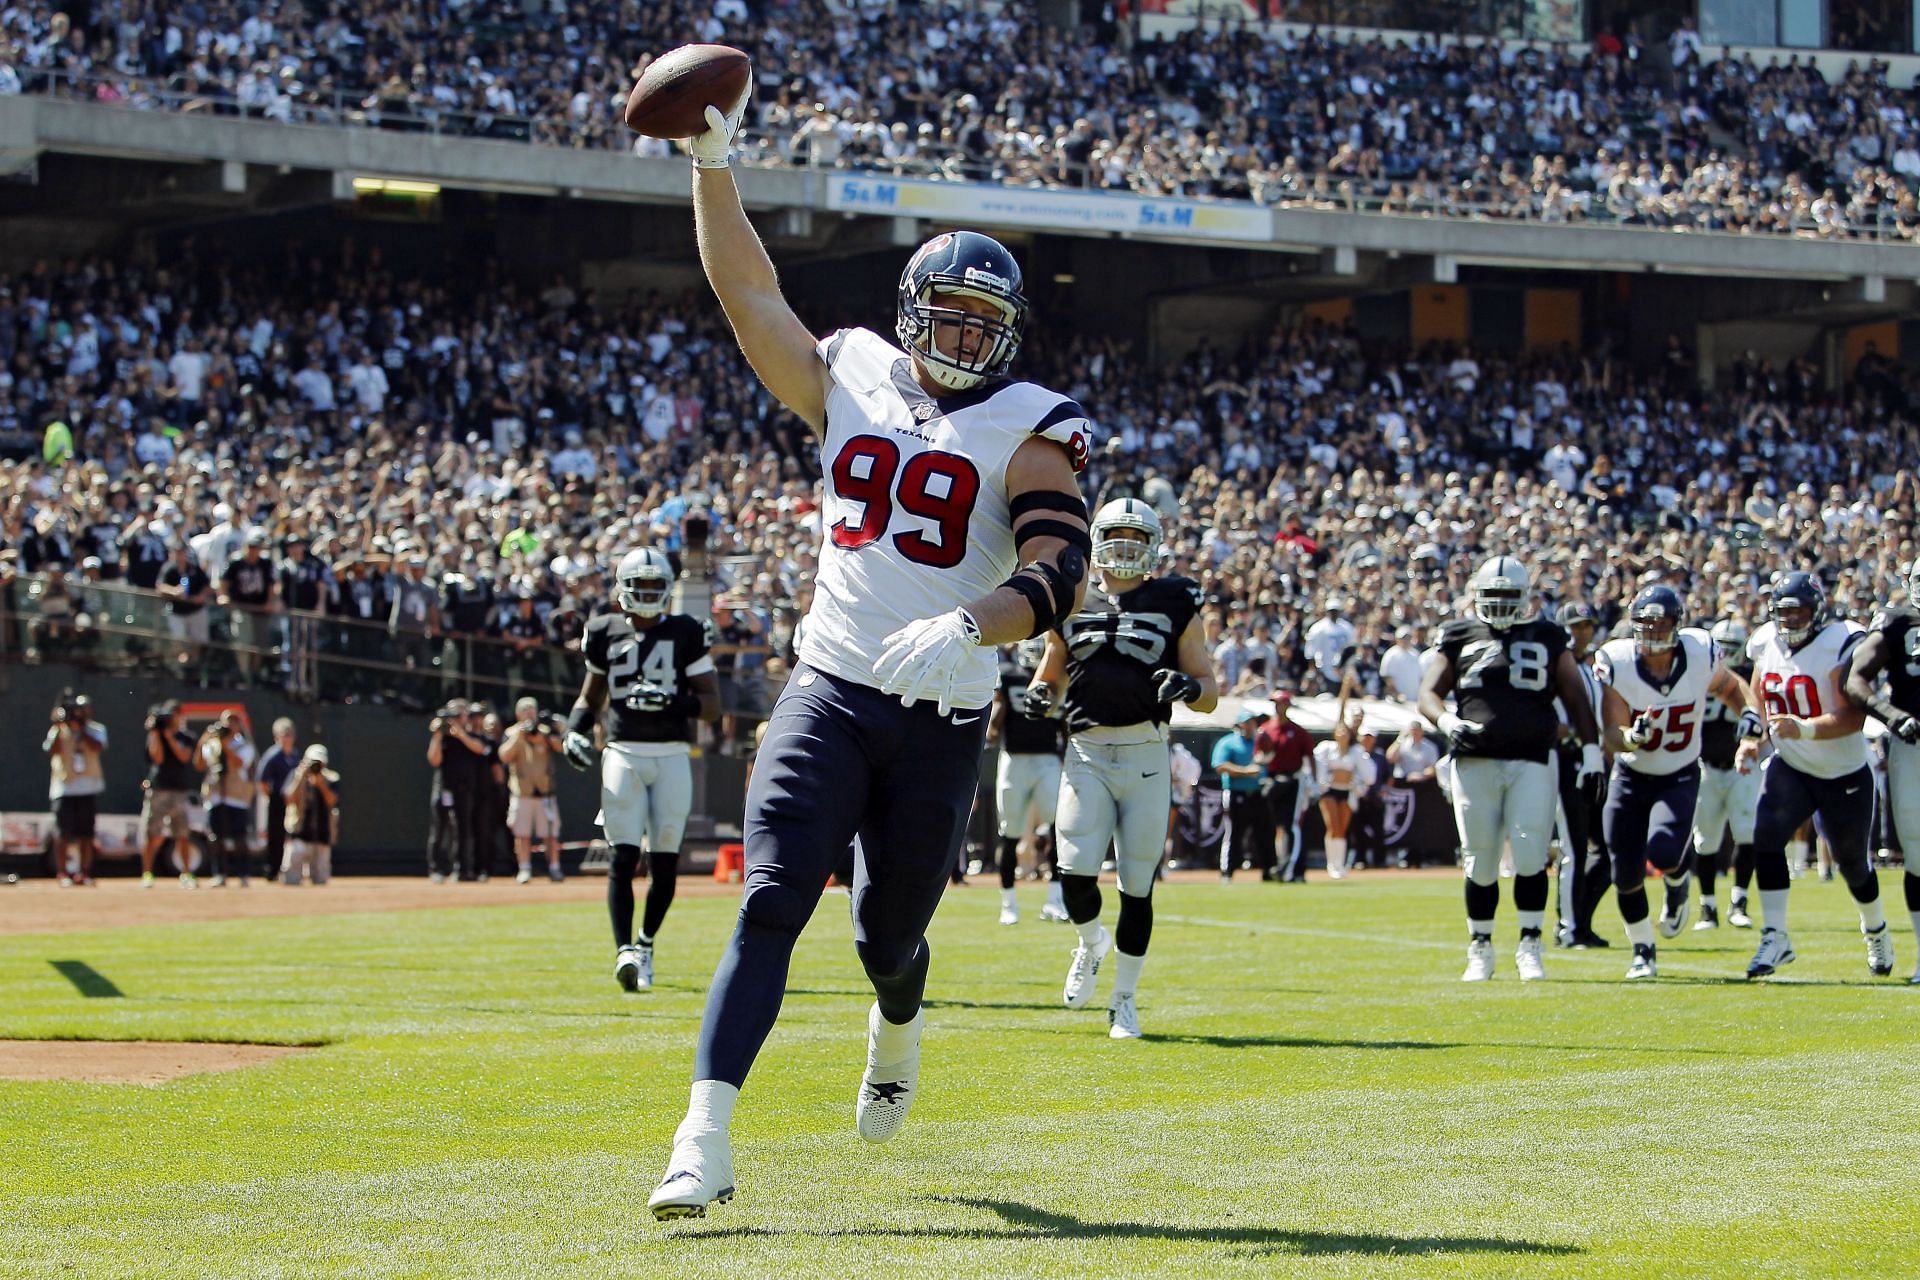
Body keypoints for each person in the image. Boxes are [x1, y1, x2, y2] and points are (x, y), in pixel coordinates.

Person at [648, 82, 1092, 1220]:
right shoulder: (847, 370)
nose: (961, 340)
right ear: (911, 312)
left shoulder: (1034, 423)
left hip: (941, 708)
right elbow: (748, 291)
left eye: (980, 325)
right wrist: (711, 163)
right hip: (830, 684)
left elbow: (1055, 572)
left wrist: (967, 622)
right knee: (770, 901)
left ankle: (898, 1019)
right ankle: (704, 1133)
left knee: (886, 934)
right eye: (945, 317)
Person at [1027, 498, 1216, 1039]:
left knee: (1137, 884)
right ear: (1098, 538)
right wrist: (1043, 694)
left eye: (1138, 538)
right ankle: (1090, 943)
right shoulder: (1073, 595)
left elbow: (1208, 689)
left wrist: (1190, 687)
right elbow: (1051, 671)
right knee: (1074, 871)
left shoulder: (1177, 599)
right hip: (1086, 750)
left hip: (1146, 753)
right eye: (1119, 535)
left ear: (1154, 547)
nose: (1127, 548)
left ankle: (1124, 1000)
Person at [1419, 556, 1602, 983]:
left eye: (1508, 596)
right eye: (1493, 595)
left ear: (1525, 599)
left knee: (1530, 854)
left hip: (1533, 760)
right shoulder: (1458, 633)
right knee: (1480, 858)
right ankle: (1479, 946)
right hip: (1474, 759)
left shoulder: (1549, 636)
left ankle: (1529, 943)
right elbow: (1429, 692)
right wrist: (1445, 721)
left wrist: (1592, 751)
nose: (1500, 605)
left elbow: (1576, 696)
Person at [563, 547, 721, 991]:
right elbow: (590, 695)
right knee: (623, 854)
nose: (648, 594)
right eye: (641, 585)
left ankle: (646, 942)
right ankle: (624, 951)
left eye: (656, 586)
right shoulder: (603, 630)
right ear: (623, 588)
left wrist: (674, 700)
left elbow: (711, 707)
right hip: (622, 751)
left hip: (671, 753)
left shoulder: (686, 631)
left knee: (665, 862)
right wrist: (575, 730)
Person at [1593, 586, 1760, 979]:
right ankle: (1642, 950)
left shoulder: (1700, 651)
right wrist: (1632, 736)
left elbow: (1732, 686)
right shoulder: (1617, 660)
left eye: (1660, 624)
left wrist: (1750, 721)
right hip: (1632, 773)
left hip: (1679, 772)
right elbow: (1612, 732)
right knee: (1625, 871)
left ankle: (1678, 881)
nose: (1652, 633)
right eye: (1645, 625)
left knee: (1666, 851)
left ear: (1677, 625)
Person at [1745, 572, 1886, 980]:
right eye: (1783, 613)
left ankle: (1874, 929)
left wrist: (1802, 728)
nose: (1789, 621)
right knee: (1766, 837)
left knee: (1853, 865)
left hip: (1842, 770)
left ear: (1817, 611)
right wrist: (1755, 738)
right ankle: (1775, 935)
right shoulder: (1766, 641)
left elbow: (1853, 717)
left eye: (1799, 612)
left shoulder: (1839, 641)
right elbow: (1759, 693)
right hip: (1793, 763)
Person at [1845, 563, 1920, 982]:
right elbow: (1856, 680)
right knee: (1918, 854)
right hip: (1914, 746)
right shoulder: (1896, 622)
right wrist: (1893, 715)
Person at [987, 637, 1067, 924]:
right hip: (1015, 759)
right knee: (1010, 833)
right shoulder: (1009, 676)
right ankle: (1008, 904)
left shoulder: (1057, 678)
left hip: (1047, 760)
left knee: (1059, 830)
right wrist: (992, 731)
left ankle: (1055, 899)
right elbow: (997, 712)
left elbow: (1065, 725)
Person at [1695, 617, 1762, 930]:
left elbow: (1762, 721)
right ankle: (1707, 906)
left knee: (1746, 833)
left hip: (1742, 766)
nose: (1726, 654)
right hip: (1706, 765)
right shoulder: (1700, 676)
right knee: (1705, 840)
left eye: (1731, 648)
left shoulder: (1749, 679)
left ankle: (1739, 901)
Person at [1552, 601, 1611, 947]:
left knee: (1610, 851)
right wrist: (1574, 733)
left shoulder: (1590, 670)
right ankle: (1568, 927)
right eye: (1575, 626)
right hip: (1567, 762)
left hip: (1597, 763)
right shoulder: (1554, 669)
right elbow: (1550, 721)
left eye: (1587, 626)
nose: (1582, 632)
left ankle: (1582, 921)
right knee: (1574, 847)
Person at [1312, 681, 1374, 879]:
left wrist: (1356, 785)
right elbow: (1319, 770)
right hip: (1330, 791)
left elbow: (1368, 776)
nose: (1342, 734)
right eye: (1339, 731)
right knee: (1333, 826)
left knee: (1342, 829)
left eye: (1345, 732)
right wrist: (1344, 691)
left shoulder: (1355, 752)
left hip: (1346, 792)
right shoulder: (1326, 749)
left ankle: (1340, 865)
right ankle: (1332, 865)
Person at [499, 697, 564, 884]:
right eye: (525, 711)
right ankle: (524, 869)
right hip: (522, 793)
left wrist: (547, 733)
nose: (529, 714)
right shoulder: (511, 733)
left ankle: (554, 868)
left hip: (545, 793)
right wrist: (519, 736)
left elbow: (560, 747)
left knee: (550, 834)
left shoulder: (544, 731)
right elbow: (503, 755)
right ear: (518, 714)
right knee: (522, 833)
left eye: (532, 710)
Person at [45, 694, 107, 886]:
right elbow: (50, 750)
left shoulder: (96, 729)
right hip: (64, 787)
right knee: (62, 832)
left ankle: (84, 872)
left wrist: (81, 730)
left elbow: (97, 747)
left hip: (88, 787)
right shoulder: (58, 730)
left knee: (86, 833)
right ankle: (62, 873)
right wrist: (59, 725)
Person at [140, 700, 198, 889]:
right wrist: (156, 733)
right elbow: (157, 758)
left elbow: (183, 757)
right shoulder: (156, 736)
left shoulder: (186, 736)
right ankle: (147, 873)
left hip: (178, 791)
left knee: (182, 834)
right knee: (152, 833)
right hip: (159, 789)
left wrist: (170, 737)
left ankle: (186, 873)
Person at [1257, 690, 1314, 881]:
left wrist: (1313, 782)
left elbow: (1309, 757)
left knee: (1292, 825)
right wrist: (1265, 757)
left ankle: (1293, 869)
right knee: (1276, 825)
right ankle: (1278, 864)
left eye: (1280, 703)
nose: (1277, 707)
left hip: (1293, 780)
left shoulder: (1297, 731)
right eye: (1275, 703)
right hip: (1273, 779)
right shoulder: (1266, 729)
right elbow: (1259, 757)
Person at [1212, 704, 1270, 884]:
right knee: (1234, 833)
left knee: (1264, 833)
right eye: (1249, 722)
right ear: (1241, 724)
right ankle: (1228, 871)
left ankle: (1268, 870)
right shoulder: (1228, 742)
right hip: (1237, 793)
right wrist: (1245, 771)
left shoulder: (1260, 742)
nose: (1252, 725)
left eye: (1254, 722)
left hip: (1259, 793)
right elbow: (1220, 766)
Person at [199, 711, 257, 886]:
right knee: (216, 838)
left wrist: (225, 745)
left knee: (240, 838)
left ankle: (243, 874)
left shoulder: (245, 745)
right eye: (227, 723)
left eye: (234, 723)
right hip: (216, 796)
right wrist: (204, 740)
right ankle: (220, 874)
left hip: (237, 797)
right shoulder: (212, 745)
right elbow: (201, 764)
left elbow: (240, 763)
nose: (230, 727)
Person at [281, 744, 339, 885]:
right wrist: (300, 777)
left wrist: (320, 784)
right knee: (291, 880)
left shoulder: (331, 778)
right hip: (299, 834)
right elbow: (288, 799)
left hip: (322, 836)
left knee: (321, 880)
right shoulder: (296, 775)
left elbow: (332, 801)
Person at [254, 719, 300, 882]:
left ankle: (289, 870)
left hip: (293, 801)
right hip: (276, 800)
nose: (288, 738)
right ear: (277, 736)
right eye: (285, 735)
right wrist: (273, 798)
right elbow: (262, 781)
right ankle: (272, 870)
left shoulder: (295, 755)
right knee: (275, 836)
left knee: (291, 835)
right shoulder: (272, 755)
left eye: (290, 734)